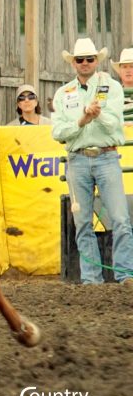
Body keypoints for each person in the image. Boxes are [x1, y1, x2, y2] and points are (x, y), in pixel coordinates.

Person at [51, 37, 133, 284]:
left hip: (106, 156)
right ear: (73, 63)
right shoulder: (63, 94)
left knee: (120, 219)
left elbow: (115, 125)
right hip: (77, 159)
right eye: (80, 59)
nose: (85, 63)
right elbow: (57, 132)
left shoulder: (112, 87)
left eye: (89, 59)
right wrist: (81, 122)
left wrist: (96, 117)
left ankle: (125, 273)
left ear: (97, 61)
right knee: (83, 222)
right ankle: (91, 279)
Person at [110, 47, 133, 123]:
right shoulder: (112, 95)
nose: (128, 70)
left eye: (132, 66)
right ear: (119, 71)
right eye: (124, 67)